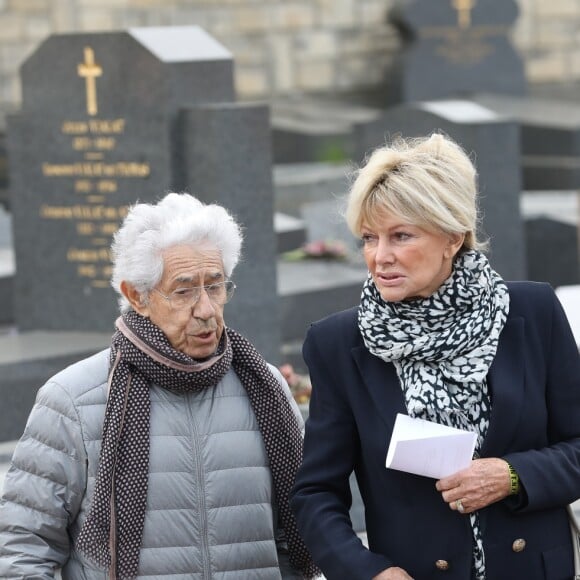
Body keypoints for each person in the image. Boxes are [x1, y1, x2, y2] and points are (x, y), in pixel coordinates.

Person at [290, 133, 580, 580]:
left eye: (400, 236)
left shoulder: (532, 313)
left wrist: (513, 474)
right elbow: (315, 494)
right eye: (369, 238)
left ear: (452, 237)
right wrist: (368, 571)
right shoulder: (339, 344)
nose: (379, 257)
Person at [0, 193, 319, 579]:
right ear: (137, 296)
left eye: (215, 287)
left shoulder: (264, 387)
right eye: (184, 291)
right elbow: (24, 548)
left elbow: (300, 532)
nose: (205, 309)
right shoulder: (71, 400)